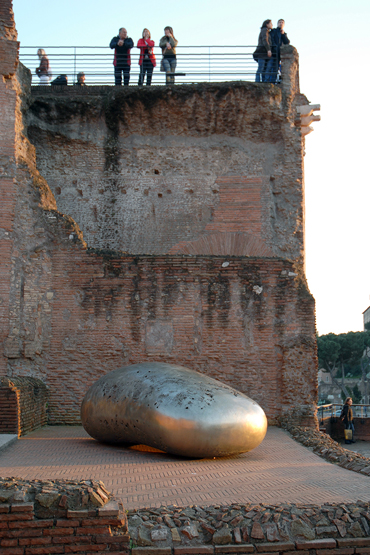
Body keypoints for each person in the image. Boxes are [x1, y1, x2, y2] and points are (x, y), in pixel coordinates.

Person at [270, 19, 290, 84]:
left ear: (284, 25)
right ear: (277, 24)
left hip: (280, 53)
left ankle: (278, 80)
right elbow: (272, 40)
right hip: (274, 52)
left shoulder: (283, 33)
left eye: (282, 23)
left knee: (279, 68)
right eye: (279, 22)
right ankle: (272, 82)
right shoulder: (274, 31)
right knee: (273, 68)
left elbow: (287, 42)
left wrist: (283, 34)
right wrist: (275, 48)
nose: (281, 24)